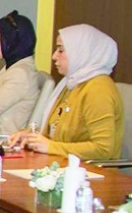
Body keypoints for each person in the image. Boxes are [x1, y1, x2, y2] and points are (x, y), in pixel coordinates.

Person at [9, 24, 123, 160]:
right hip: (63, 164)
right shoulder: (71, 83)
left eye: (61, 50)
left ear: (81, 52)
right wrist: (32, 136)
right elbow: (60, 134)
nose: (54, 56)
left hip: (88, 170)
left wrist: (50, 147)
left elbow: (103, 149)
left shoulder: (99, 90)